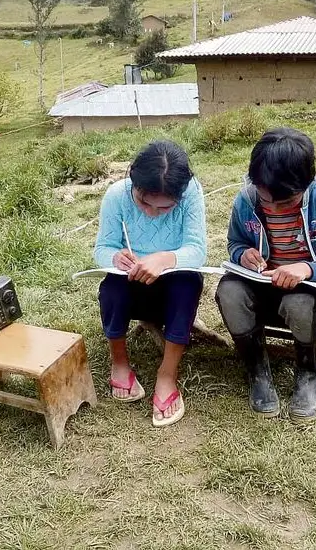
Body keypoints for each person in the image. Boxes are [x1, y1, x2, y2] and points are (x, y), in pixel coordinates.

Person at [215, 128, 316, 421]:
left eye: (285, 203)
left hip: (302, 288)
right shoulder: (247, 199)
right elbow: (235, 242)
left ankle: (308, 373)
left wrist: (306, 269)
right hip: (259, 282)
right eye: (266, 200)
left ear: (306, 183)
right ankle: (257, 370)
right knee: (229, 292)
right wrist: (243, 254)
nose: (273, 207)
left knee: (300, 304)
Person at [93, 140, 207, 427]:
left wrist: (166, 259)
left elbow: (197, 249)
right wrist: (115, 257)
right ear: (132, 176)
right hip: (132, 287)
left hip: (172, 287)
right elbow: (102, 248)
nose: (152, 212)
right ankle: (119, 362)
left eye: (165, 207)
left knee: (188, 283)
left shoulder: (191, 192)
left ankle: (167, 374)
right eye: (144, 202)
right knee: (111, 288)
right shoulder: (117, 196)